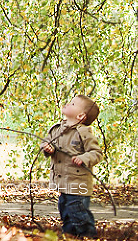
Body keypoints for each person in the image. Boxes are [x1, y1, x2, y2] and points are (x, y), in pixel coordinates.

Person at [41, 94, 103, 238]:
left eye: (73, 104)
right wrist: (47, 148)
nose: (68, 104)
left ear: (81, 116)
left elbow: (97, 153)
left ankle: (89, 236)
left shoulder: (84, 132)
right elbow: (46, 142)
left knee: (79, 214)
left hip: (78, 184)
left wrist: (84, 158)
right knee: (66, 213)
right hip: (63, 183)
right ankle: (69, 236)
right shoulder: (57, 129)